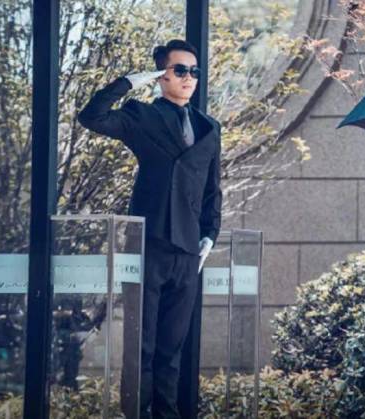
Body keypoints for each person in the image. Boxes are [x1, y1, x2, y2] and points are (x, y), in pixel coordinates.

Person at [77, 39, 222, 418]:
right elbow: (90, 117)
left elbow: (212, 190)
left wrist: (210, 236)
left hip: (189, 251)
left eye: (194, 71)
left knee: (172, 350)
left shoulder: (209, 127)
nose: (189, 77)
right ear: (162, 75)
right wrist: (129, 82)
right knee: (141, 346)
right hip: (148, 245)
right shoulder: (141, 116)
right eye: (180, 70)